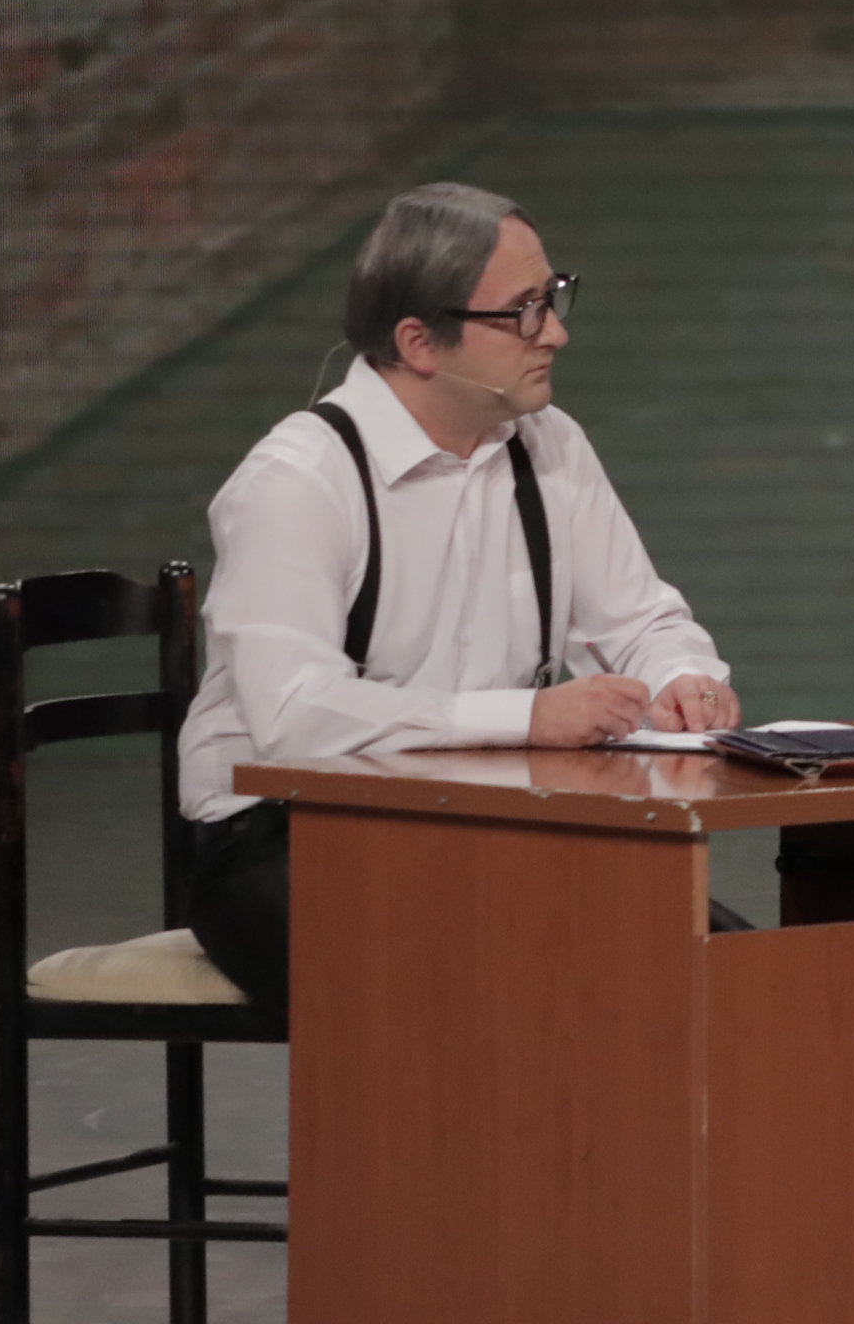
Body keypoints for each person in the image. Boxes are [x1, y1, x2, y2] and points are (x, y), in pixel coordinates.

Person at [176, 182, 741, 1015]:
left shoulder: (550, 446)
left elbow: (643, 620)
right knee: (479, 994)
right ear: (420, 342)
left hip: (484, 824)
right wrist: (529, 717)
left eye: (552, 298)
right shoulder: (298, 481)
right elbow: (294, 718)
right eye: (522, 313)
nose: (556, 333)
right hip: (286, 838)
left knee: (731, 976)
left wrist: (682, 678)